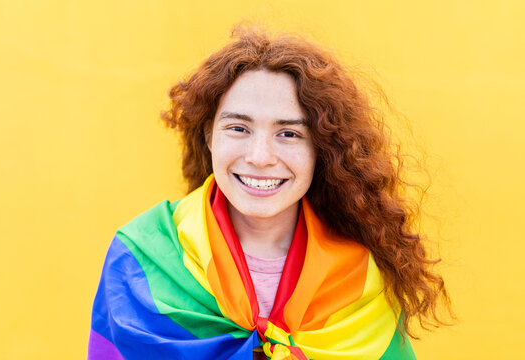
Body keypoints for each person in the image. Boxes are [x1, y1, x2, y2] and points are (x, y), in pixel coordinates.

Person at [88, 27, 450, 360]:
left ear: (321, 148)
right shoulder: (140, 256)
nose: (260, 157)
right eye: (238, 128)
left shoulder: (361, 276)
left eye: (289, 134)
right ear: (209, 135)